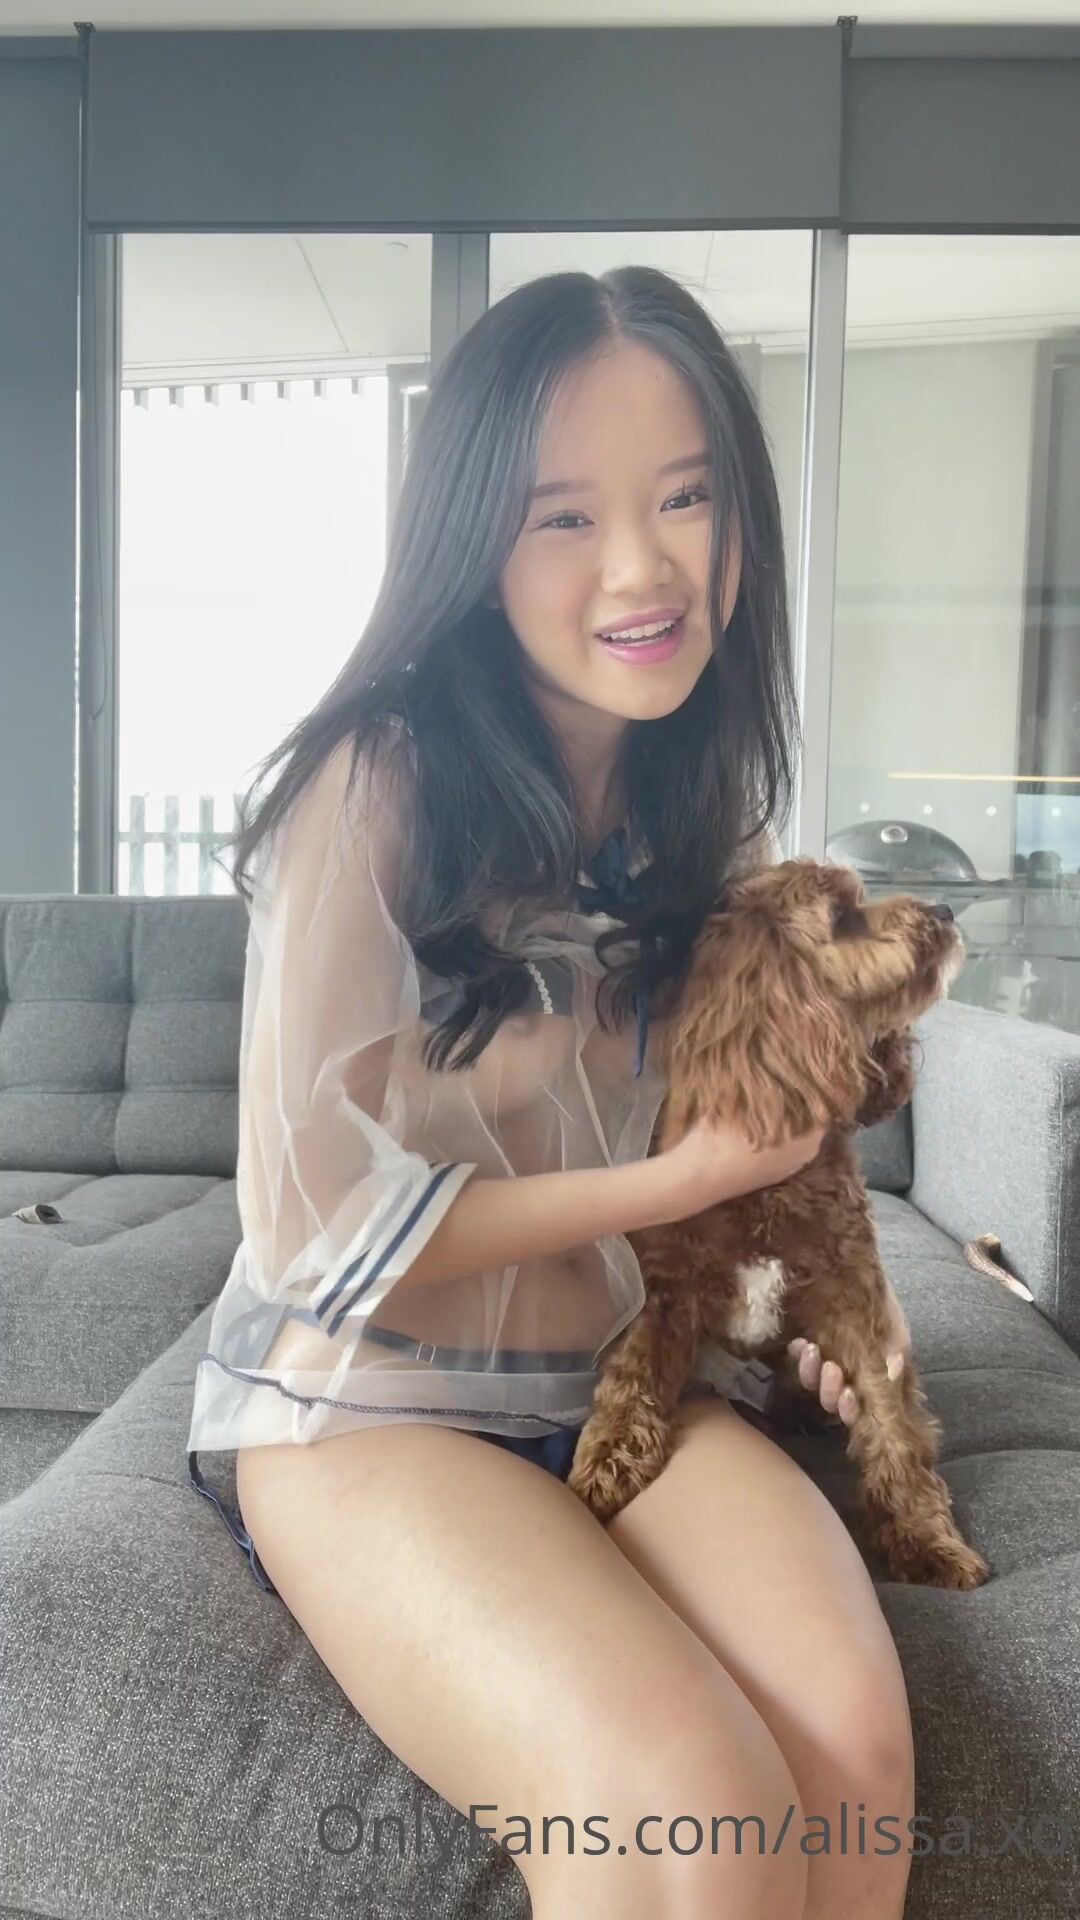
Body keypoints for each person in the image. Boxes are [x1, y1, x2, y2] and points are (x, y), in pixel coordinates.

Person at [187, 267, 915, 1919]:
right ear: (475, 542)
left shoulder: (703, 809)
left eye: (685, 499)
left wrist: (797, 1321)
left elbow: (723, 1154)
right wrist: (679, 1187)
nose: (642, 566)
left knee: (856, 1763)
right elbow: (314, 1232)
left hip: (621, 1378)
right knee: (697, 1817)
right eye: (565, 518)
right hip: (368, 1403)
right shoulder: (372, 784)